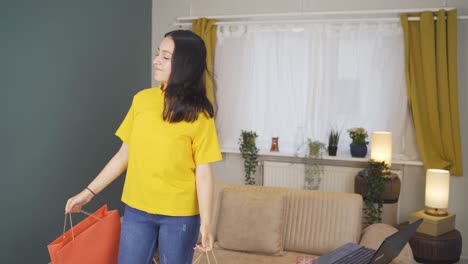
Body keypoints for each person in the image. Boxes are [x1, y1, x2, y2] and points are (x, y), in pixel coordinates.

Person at [65, 30, 222, 264]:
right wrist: (88, 193)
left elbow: (204, 173)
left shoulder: (200, 115)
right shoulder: (142, 100)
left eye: (166, 57)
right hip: (137, 210)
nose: (156, 60)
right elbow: (123, 156)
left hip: (180, 216)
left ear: (185, 64)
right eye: (158, 53)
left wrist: (207, 223)